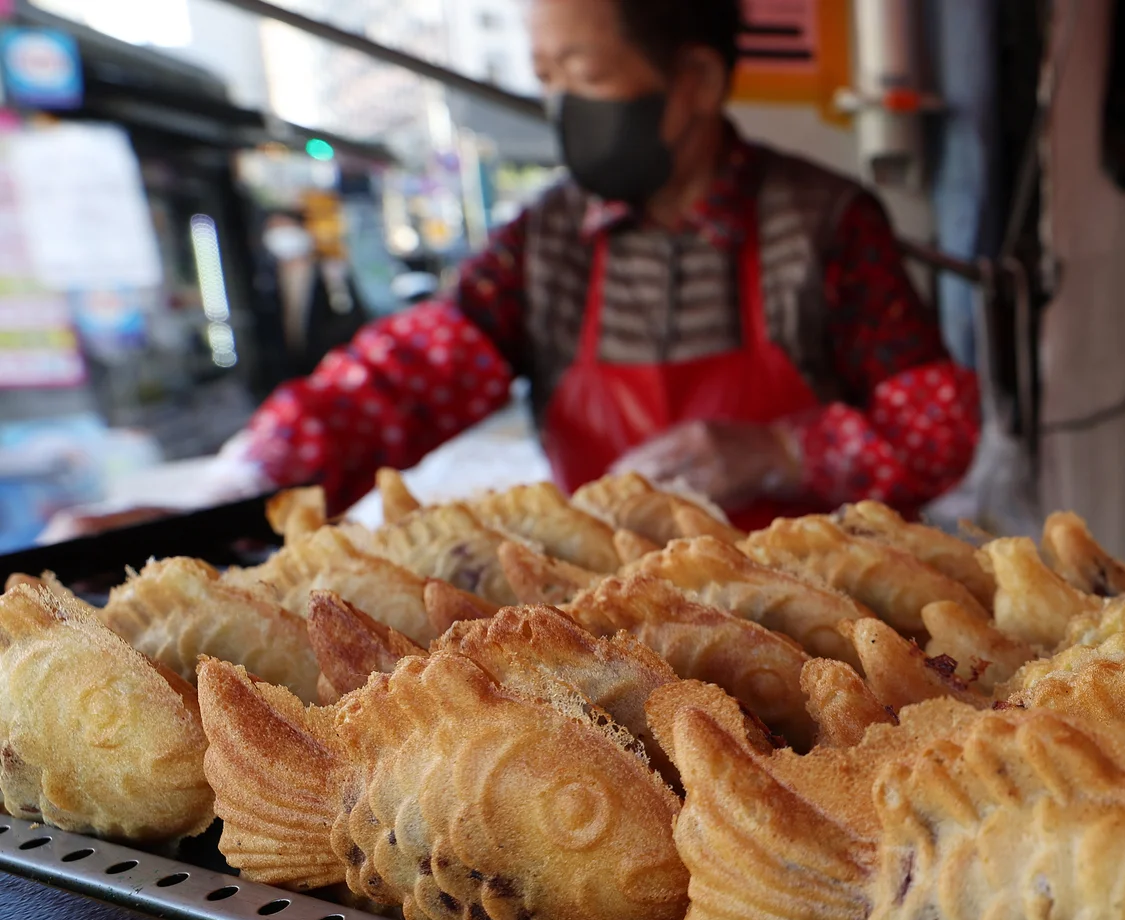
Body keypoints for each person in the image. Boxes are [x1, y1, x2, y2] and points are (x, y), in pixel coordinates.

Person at [134, 0, 980, 532]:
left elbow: (937, 429)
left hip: (832, 626)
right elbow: (411, 376)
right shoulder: (544, 244)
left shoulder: (828, 223)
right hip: (631, 624)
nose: (563, 109)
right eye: (546, 79)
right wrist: (246, 478)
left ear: (694, 81)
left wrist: (783, 451)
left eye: (584, 73)